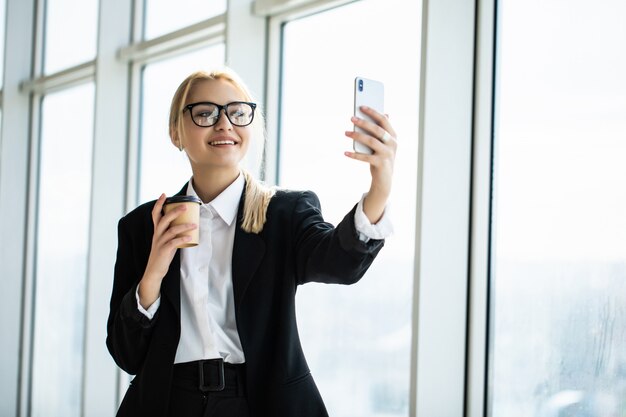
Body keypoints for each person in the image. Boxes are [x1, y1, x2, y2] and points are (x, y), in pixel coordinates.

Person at [106, 67, 397, 417]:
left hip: (259, 403)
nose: (224, 124)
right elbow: (126, 355)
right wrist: (152, 275)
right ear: (175, 133)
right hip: (167, 402)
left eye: (238, 112)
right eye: (204, 113)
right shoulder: (142, 226)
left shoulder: (285, 213)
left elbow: (341, 263)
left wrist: (379, 188)